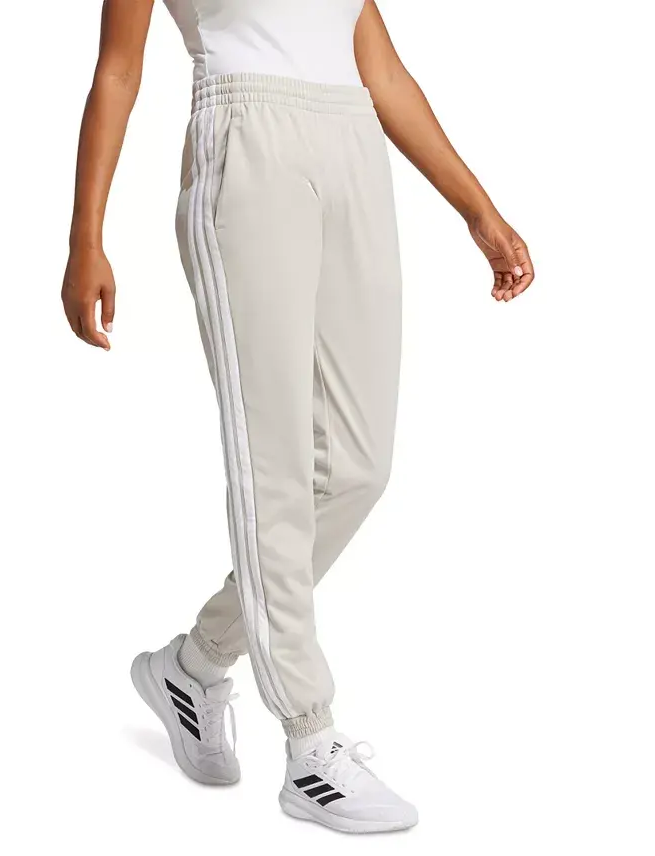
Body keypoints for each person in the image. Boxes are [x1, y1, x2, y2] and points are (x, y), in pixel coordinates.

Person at [62, 0, 534, 835]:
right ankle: (310, 744)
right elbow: (119, 70)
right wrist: (85, 239)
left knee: (358, 467)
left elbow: (384, 74)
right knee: (272, 469)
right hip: (246, 144)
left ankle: (194, 664)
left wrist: (478, 210)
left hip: (352, 143)